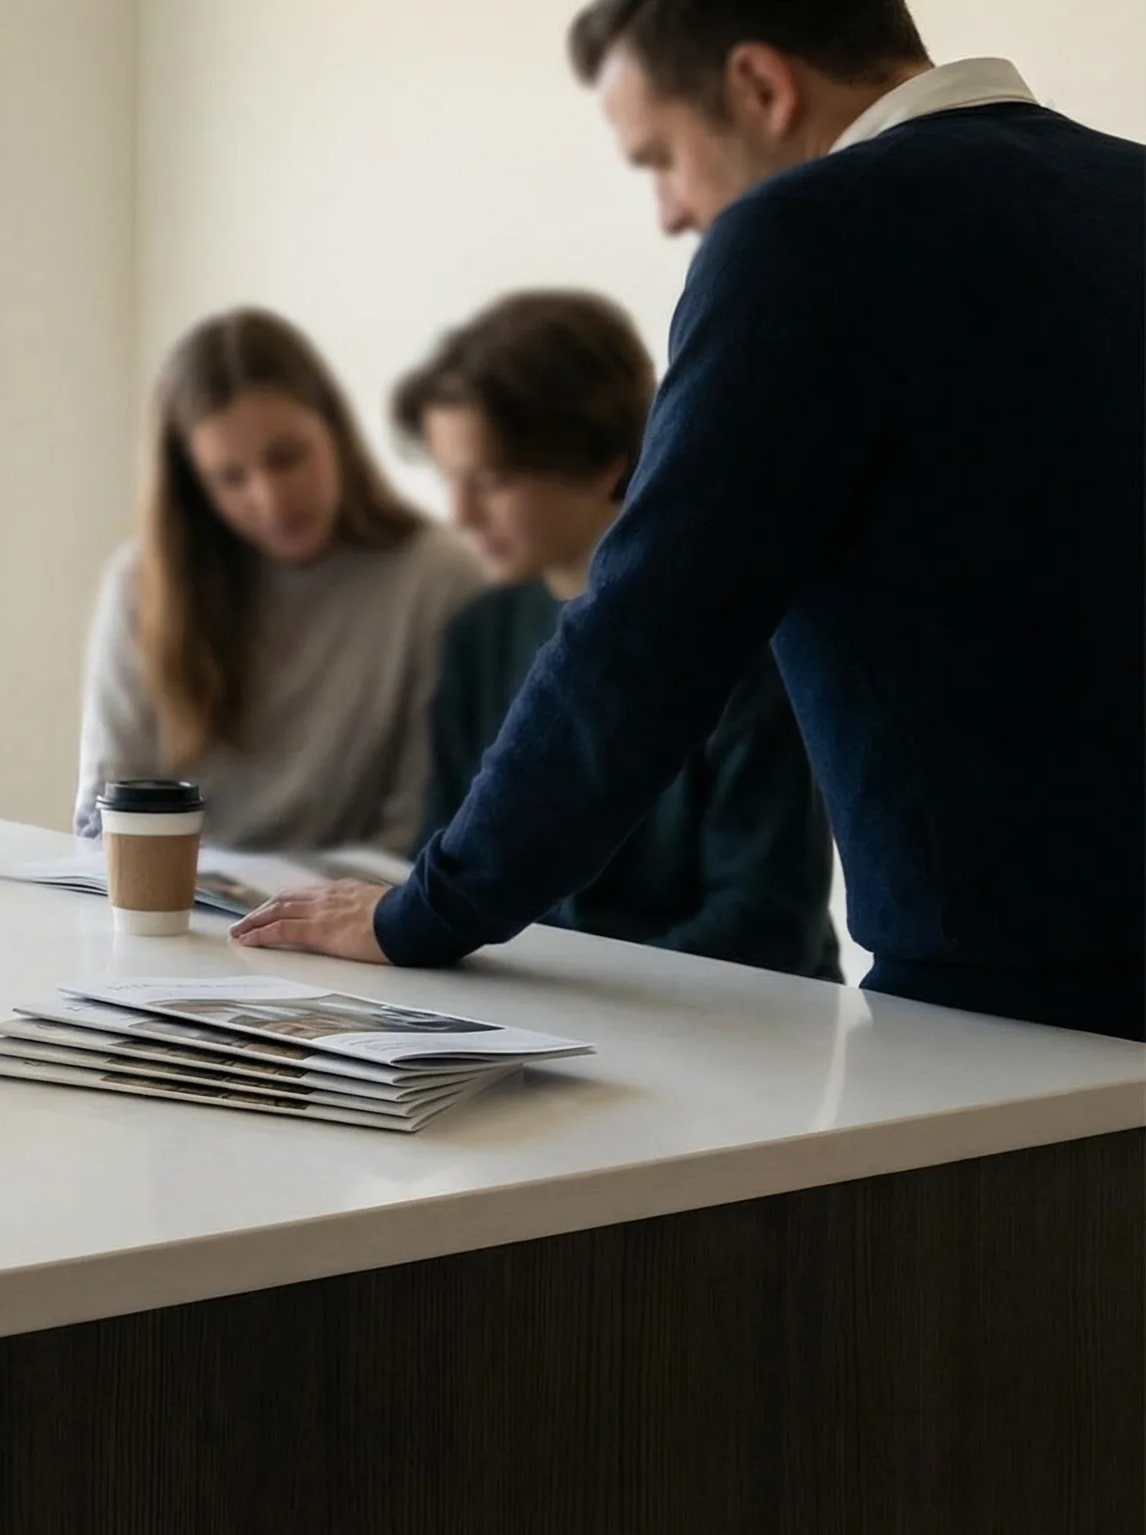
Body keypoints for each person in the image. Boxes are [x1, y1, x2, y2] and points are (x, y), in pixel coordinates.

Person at [233, 0, 1144, 1040]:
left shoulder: (808, 235)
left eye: (659, 155)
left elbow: (650, 626)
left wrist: (428, 909)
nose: (668, 211)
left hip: (1009, 1029)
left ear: (762, 86)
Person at [398, 291, 838, 980]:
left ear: (605, 460)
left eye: (493, 479)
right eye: (449, 479)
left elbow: (765, 926)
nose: (458, 512)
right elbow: (437, 865)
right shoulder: (480, 633)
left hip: (741, 1041)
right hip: (543, 1021)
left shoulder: (750, 645)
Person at [75, 309, 483, 853]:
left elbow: (423, 836)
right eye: (231, 478)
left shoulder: (439, 578)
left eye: (287, 458)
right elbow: (107, 817)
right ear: (195, 489)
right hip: (171, 912)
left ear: (334, 431)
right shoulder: (142, 584)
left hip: (351, 923)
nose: (270, 500)